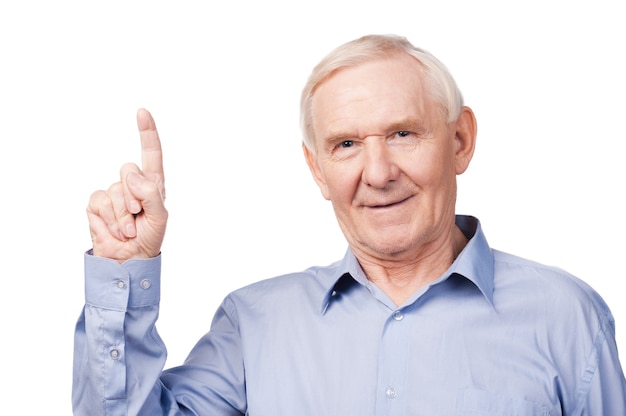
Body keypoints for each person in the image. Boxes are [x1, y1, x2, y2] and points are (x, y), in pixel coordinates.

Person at [72, 34, 626, 415]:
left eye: (404, 134)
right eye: (346, 144)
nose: (378, 173)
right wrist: (124, 274)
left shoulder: (567, 318)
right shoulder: (254, 324)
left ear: (460, 141)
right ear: (317, 168)